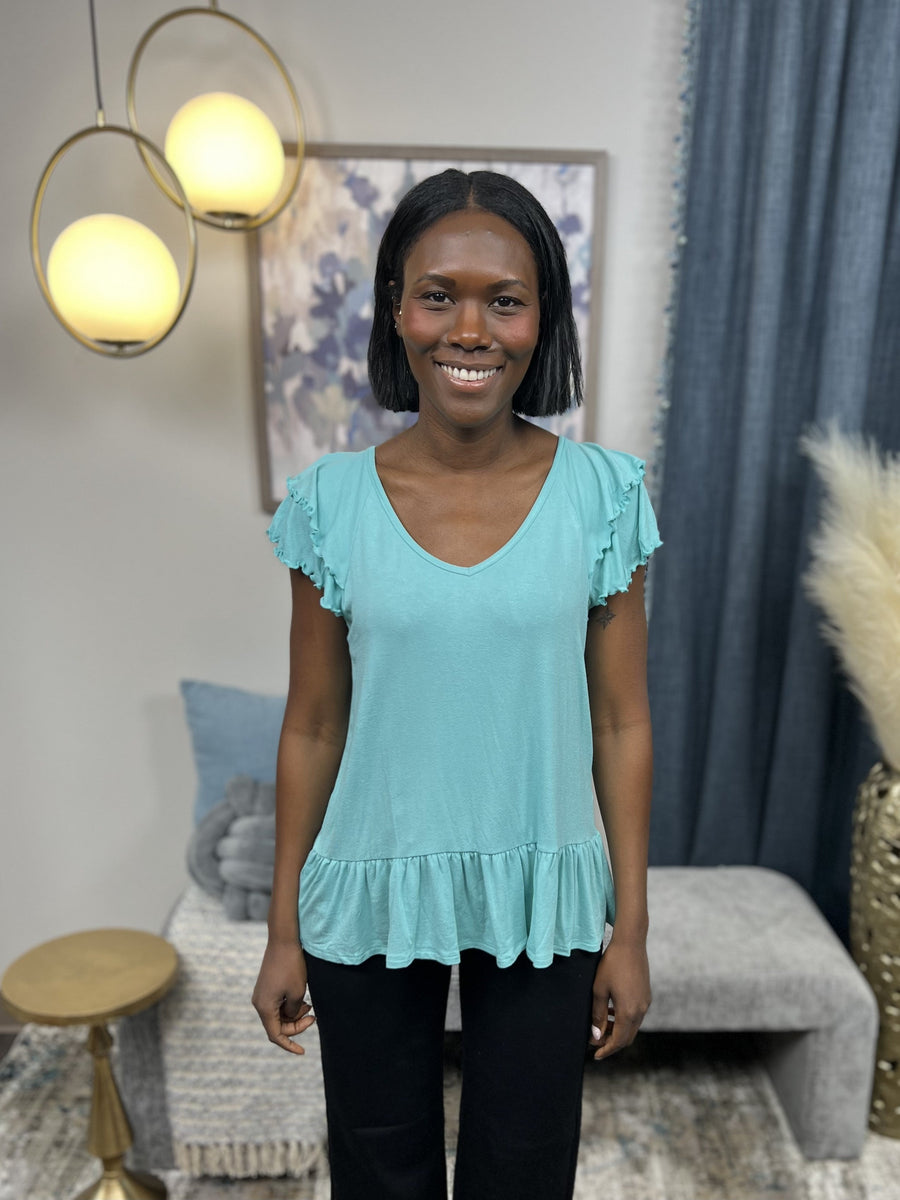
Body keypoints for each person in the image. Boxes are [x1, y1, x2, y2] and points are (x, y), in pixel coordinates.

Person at [252, 168, 663, 1200]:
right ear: (397, 309)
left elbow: (621, 724)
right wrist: (284, 929)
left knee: (523, 1174)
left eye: (504, 300)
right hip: (369, 881)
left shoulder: (603, 497)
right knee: (377, 1173)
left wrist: (632, 931)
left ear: (541, 318)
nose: (469, 330)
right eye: (439, 295)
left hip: (544, 889)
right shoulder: (330, 505)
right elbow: (312, 726)